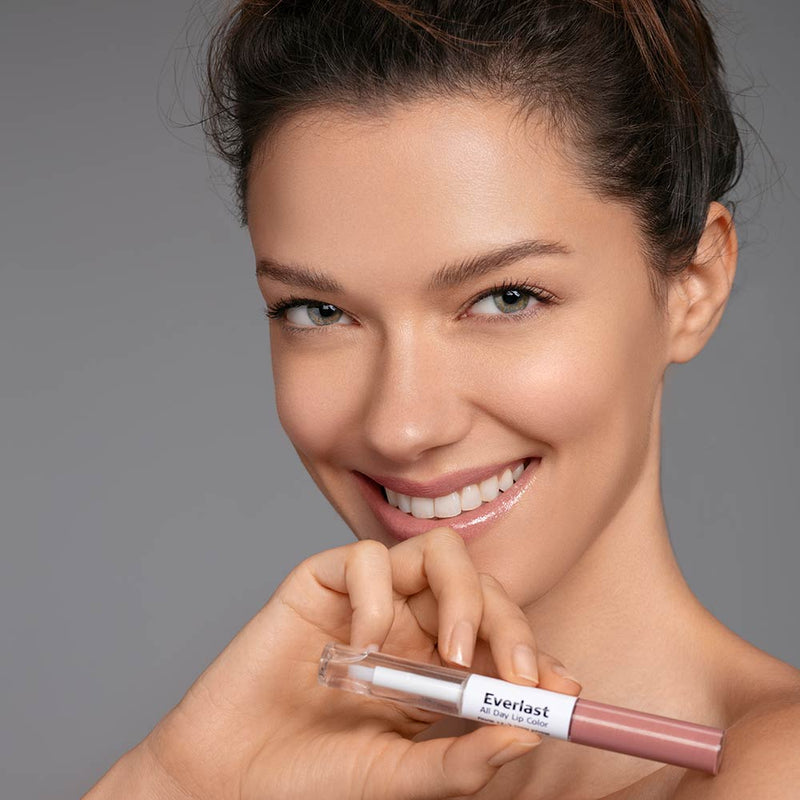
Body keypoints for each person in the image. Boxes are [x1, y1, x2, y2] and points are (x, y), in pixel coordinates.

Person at [84, 0, 800, 797]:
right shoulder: (286, 772)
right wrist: (174, 781)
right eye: (319, 312)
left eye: (506, 298)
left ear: (692, 288)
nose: (402, 426)